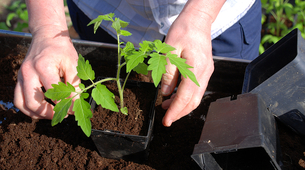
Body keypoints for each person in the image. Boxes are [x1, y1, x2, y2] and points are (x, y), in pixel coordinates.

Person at [14, 0, 261, 127]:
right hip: (106, 10)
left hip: (218, 18)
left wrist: (201, 15)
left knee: (228, 110)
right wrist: (47, 28)